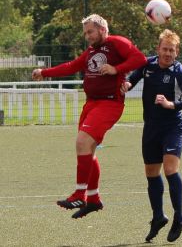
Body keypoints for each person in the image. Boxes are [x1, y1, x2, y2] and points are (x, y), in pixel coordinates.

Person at [31, 14, 147, 219]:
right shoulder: (92, 50)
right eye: (85, 33)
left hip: (109, 103)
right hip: (91, 103)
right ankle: (93, 199)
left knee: (82, 141)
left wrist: (116, 69)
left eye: (90, 31)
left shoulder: (117, 42)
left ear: (102, 29)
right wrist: (45, 72)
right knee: (88, 149)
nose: (87, 36)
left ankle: (79, 194)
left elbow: (140, 59)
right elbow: (72, 66)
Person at [121, 29, 182, 242]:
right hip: (151, 128)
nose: (167, 53)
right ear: (158, 49)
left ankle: (179, 217)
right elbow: (132, 80)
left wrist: (171, 104)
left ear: (176, 52)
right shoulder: (148, 64)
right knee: (151, 173)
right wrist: (125, 85)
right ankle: (158, 216)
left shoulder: (179, 72)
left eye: (171, 50)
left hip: (173, 127)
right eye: (164, 49)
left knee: (171, 170)